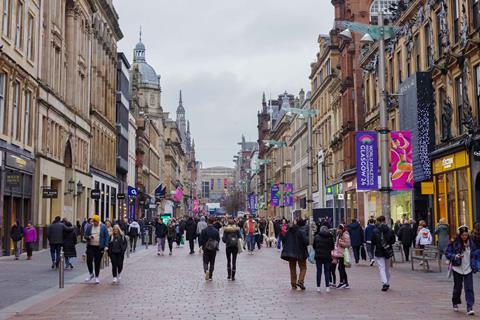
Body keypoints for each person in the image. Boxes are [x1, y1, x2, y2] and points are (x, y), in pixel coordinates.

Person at [446, 226, 478, 315]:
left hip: (468, 268)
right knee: (458, 288)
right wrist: (455, 256)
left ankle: (470, 307)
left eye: (466, 235)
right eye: (463, 235)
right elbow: (447, 253)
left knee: (469, 288)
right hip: (457, 268)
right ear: (459, 235)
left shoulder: (471, 242)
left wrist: (474, 259)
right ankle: (455, 302)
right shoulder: (454, 242)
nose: (465, 236)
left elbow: (475, 252)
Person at [281, 219, 309, 290]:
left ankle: (293, 284)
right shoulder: (301, 231)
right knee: (303, 267)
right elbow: (306, 242)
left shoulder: (288, 232)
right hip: (300, 252)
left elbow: (283, 240)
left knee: (292, 268)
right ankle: (300, 281)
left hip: (290, 253)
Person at [371, 215, 396, 292]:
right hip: (388, 250)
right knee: (387, 268)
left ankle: (385, 283)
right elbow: (393, 241)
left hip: (379, 250)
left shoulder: (375, 230)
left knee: (381, 267)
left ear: (378, 221)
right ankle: (387, 282)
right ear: (385, 221)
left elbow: (373, 241)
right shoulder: (390, 230)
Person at [84, 215, 109, 284]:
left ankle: (97, 276)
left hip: (99, 247)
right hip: (90, 246)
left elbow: (106, 236)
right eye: (93, 222)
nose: (94, 223)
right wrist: (89, 237)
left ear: (98, 221)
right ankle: (91, 273)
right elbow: (85, 235)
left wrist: (106, 245)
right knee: (89, 260)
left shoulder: (103, 227)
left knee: (97, 262)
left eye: (95, 222)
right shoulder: (89, 227)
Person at [313, 226, 334, 293]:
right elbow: (332, 247)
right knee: (327, 271)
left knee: (319, 271)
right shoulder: (330, 237)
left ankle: (318, 287)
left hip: (318, 256)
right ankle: (327, 287)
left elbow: (314, 246)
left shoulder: (316, 237)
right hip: (327, 256)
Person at [331, 224, 351, 289]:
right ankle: (345, 283)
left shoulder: (345, 235)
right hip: (339, 253)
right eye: (337, 229)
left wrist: (340, 243)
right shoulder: (339, 235)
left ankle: (342, 282)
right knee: (341, 268)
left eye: (339, 229)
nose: (338, 230)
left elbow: (348, 244)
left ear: (342, 229)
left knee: (341, 268)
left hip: (343, 254)